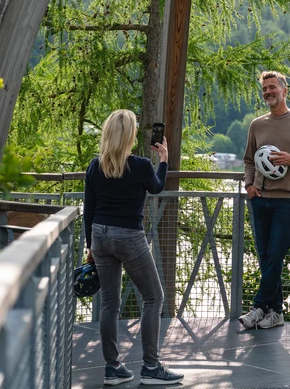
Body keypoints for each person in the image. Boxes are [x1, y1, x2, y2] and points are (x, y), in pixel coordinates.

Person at [84, 109, 184, 386]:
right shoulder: (140, 165)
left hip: (100, 236)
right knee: (153, 297)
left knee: (109, 304)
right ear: (129, 135)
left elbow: (88, 211)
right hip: (128, 236)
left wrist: (90, 246)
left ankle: (112, 367)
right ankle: (151, 367)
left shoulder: (95, 166)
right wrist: (163, 160)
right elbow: (157, 188)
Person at [239, 71, 290, 329]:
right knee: (266, 256)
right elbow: (248, 160)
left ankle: (258, 308)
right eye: (265, 89)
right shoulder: (257, 125)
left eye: (272, 87)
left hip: (288, 200)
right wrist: (249, 184)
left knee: (275, 255)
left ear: (285, 91)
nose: (268, 92)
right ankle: (276, 313)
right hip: (259, 199)